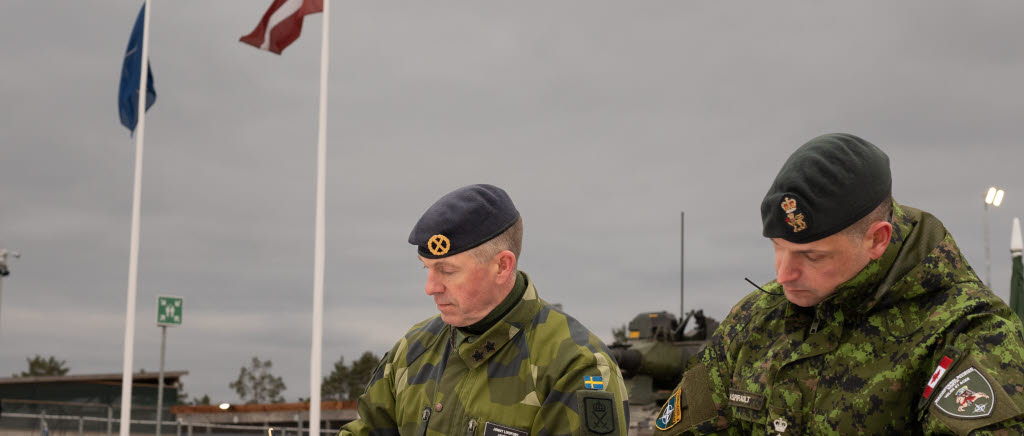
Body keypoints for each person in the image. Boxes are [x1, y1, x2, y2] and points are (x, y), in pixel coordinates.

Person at [653, 133, 1024, 435]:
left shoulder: (970, 334)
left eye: (812, 257)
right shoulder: (754, 322)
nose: (784, 275)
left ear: (877, 239)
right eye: (778, 249)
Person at [339, 184, 628, 436]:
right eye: (426, 268)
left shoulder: (576, 366)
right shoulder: (413, 351)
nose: (431, 287)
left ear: (502, 266)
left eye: (447, 270)